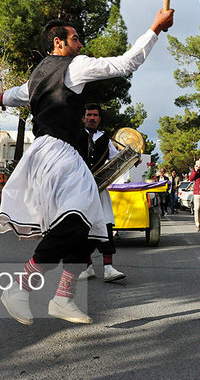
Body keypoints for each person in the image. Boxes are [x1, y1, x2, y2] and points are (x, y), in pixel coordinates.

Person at [0, 8, 174, 325]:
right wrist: (155, 28)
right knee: (76, 222)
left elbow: (11, 96)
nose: (80, 43)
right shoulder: (74, 66)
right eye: (75, 38)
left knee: (90, 226)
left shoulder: (36, 76)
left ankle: (64, 297)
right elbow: (125, 63)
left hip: (49, 156)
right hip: (59, 153)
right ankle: (20, 287)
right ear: (59, 43)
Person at [76, 103, 126, 283]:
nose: (92, 118)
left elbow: (116, 158)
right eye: (88, 114)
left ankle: (108, 268)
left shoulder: (105, 138)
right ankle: (87, 267)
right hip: (79, 190)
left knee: (105, 226)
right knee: (81, 228)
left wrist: (132, 159)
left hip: (99, 190)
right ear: (84, 117)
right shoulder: (74, 135)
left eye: (95, 115)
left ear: (99, 118)